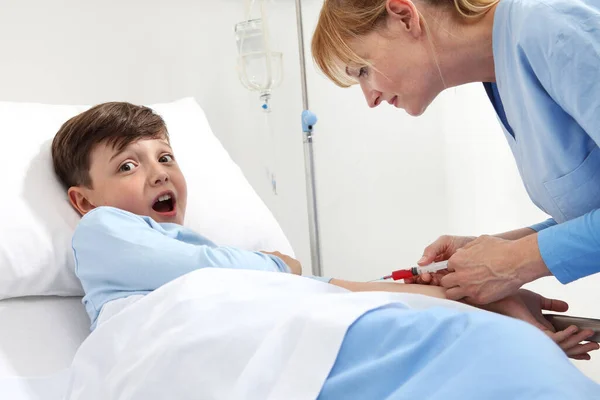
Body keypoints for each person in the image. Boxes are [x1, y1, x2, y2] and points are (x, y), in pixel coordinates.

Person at [51, 102, 600, 398]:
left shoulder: (219, 267)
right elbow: (234, 275)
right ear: (82, 198)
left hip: (279, 328)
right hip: (186, 346)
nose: (156, 173)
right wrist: (277, 264)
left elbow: (326, 288)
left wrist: (466, 293)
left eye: (165, 157)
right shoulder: (101, 231)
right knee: (483, 352)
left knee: (479, 341)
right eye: (128, 165)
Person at [311, 0, 600, 310]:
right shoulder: (502, 79)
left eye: (363, 71)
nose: (370, 98)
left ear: (404, 16)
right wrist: (492, 252)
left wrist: (517, 261)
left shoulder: (550, 27)